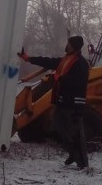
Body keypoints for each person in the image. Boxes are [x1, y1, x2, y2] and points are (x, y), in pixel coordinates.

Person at [17, 36, 90, 170]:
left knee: (76, 133)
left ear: (74, 46)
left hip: (74, 105)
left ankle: (83, 165)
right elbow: (48, 61)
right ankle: (73, 153)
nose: (66, 45)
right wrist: (27, 58)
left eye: (68, 43)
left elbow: (78, 82)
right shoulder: (65, 60)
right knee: (58, 128)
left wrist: (59, 78)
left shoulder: (81, 63)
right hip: (62, 102)